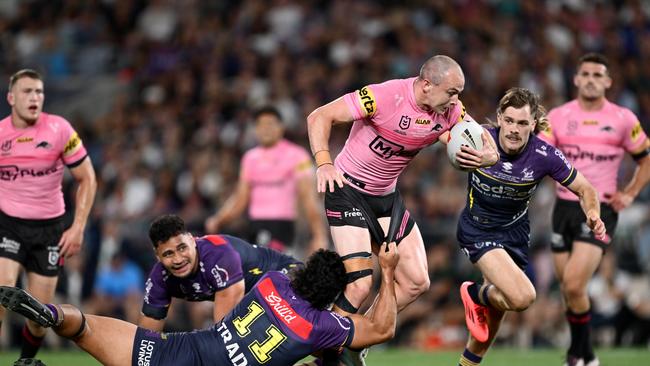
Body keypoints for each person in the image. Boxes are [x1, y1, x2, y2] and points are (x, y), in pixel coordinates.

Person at [306, 55, 499, 364]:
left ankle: (357, 339)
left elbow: (484, 141)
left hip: (386, 198)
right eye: (452, 91)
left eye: (459, 93)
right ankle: (320, 353)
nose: (457, 100)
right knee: (358, 286)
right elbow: (319, 117)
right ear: (426, 85)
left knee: (417, 281)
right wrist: (324, 164)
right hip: (347, 190)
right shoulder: (383, 96)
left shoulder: (449, 110)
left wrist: (487, 158)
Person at [0, 241, 400, 366]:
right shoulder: (321, 326)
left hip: (188, 349)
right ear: (331, 297)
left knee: (85, 327)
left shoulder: (274, 282)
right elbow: (381, 329)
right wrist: (390, 271)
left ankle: (49, 312)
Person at [455, 87, 606, 366]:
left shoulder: (544, 155)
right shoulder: (478, 138)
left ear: (533, 124)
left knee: (492, 316)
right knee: (523, 297)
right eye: (509, 120)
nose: (514, 129)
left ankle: (466, 363)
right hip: (478, 230)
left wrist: (593, 214)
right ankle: (474, 292)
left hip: (514, 235)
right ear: (499, 118)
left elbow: (586, 189)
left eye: (522, 123)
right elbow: (445, 136)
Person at [540, 53, 650, 366]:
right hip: (563, 207)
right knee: (569, 291)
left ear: (607, 82)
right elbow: (540, 153)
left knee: (575, 283)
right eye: (585, 73)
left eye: (597, 74)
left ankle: (584, 356)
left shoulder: (623, 119)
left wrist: (629, 194)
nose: (590, 79)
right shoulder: (559, 117)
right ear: (576, 79)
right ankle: (580, 353)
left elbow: (646, 159)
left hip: (600, 209)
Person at [0, 69, 97, 359]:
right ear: (11, 97)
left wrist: (78, 226)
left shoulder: (60, 130)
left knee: (38, 315)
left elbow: (88, 178)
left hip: (50, 229)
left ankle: (26, 360)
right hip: (9, 225)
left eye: (39, 92)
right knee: (2, 292)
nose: (35, 97)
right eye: (27, 91)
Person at [139, 214, 303, 331]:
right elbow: (146, 342)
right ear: (157, 256)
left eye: (182, 248)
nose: (178, 259)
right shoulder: (159, 278)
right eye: (168, 254)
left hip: (288, 276)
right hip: (254, 297)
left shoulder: (218, 255)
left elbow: (225, 335)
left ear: (192, 239)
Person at [205, 106, 328, 255]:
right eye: (261, 125)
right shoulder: (250, 158)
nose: (266, 129)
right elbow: (240, 199)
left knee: (273, 273)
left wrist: (319, 235)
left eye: (270, 124)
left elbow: (309, 198)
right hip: (254, 227)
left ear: (281, 127)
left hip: (282, 227)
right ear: (255, 129)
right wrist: (219, 220)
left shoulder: (298, 156)